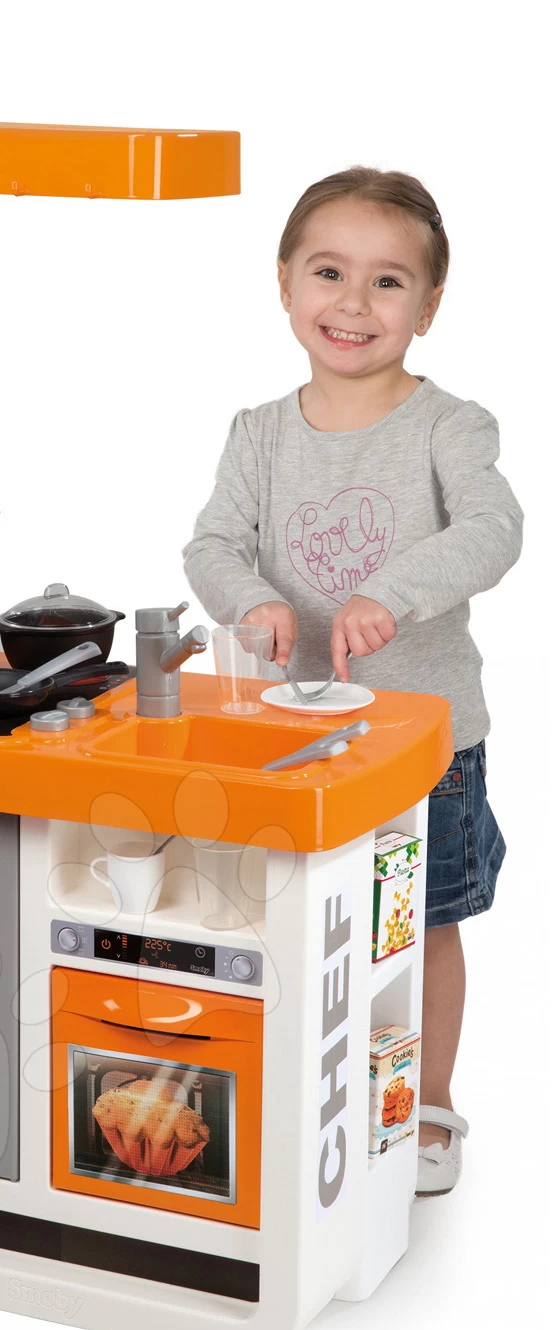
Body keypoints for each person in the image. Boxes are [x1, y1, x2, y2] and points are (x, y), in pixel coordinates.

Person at [182, 167, 523, 1196]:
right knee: (295, 914)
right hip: (292, 736)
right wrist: (252, 600)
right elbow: (211, 544)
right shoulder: (258, 431)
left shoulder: (450, 426)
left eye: (388, 281)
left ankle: (425, 1105)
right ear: (285, 282)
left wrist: (392, 593)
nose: (354, 303)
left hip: (424, 746)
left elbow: (494, 528)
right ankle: (313, 1090)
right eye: (329, 272)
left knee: (419, 926)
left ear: (428, 306)